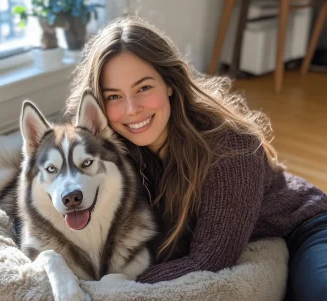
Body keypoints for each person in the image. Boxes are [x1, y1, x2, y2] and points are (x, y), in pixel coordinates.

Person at [64, 17, 327, 301]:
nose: (132, 110)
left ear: (170, 84)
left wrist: (108, 286)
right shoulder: (112, 154)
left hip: (302, 229)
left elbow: (208, 261)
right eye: (114, 96)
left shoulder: (232, 149)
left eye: (143, 88)